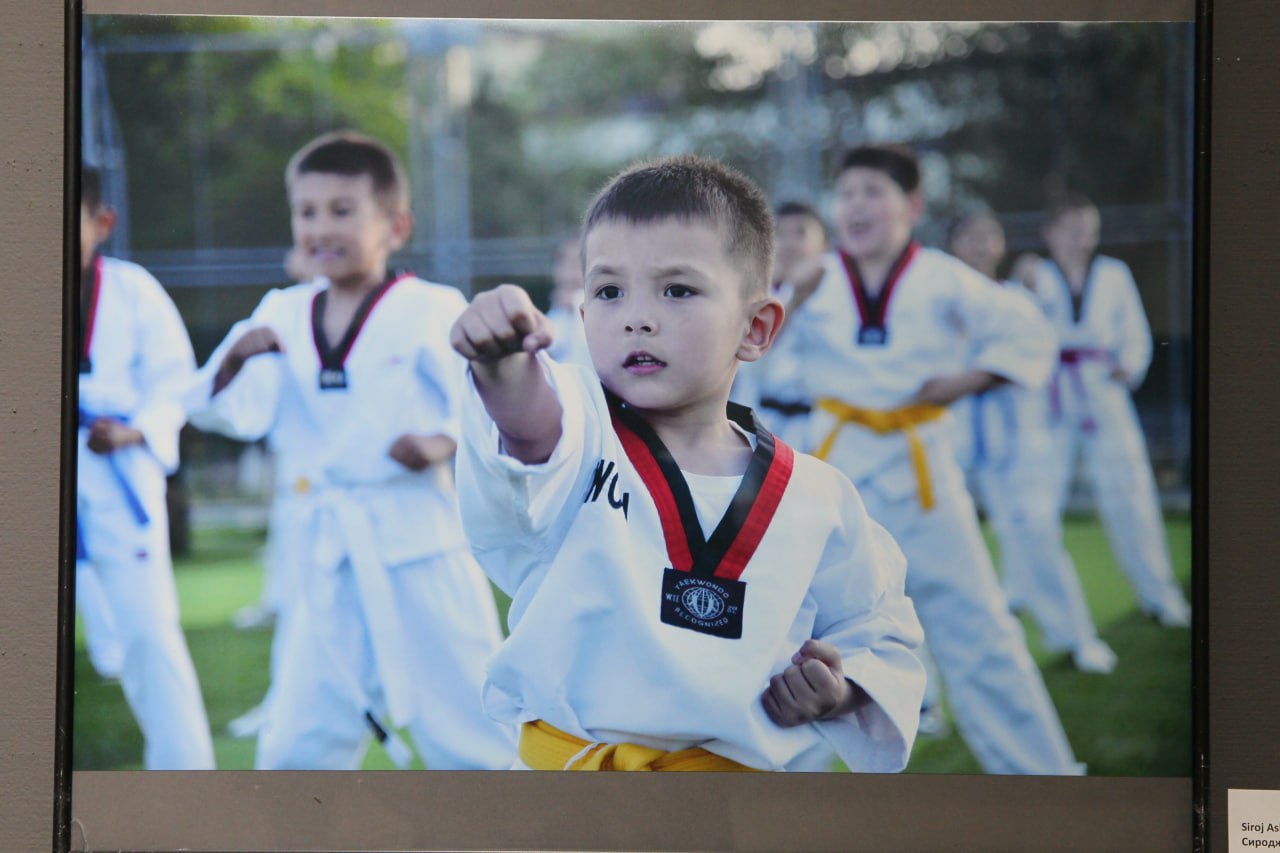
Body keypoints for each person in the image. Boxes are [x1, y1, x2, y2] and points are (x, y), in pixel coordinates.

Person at [450, 154, 925, 773]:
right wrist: (500, 360)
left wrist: (839, 689)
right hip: (566, 796)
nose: (637, 317)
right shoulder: (585, 432)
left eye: (677, 290)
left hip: (736, 807)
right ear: (584, 317)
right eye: (609, 291)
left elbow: (878, 628)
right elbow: (531, 426)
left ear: (755, 327)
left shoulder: (818, 497)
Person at [184, 130, 516, 770]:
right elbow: (230, 413)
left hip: (418, 541)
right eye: (306, 213)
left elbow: (482, 405)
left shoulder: (429, 307)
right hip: (324, 548)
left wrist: (440, 442)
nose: (321, 227)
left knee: (472, 727)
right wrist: (231, 363)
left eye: (342, 210)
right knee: (297, 741)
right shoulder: (280, 312)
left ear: (395, 225)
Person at [784, 145, 1083, 775]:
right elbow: (744, 346)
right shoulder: (814, 279)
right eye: (848, 193)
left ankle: (1045, 781)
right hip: (835, 484)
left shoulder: (942, 275)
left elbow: (1028, 330)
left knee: (983, 633)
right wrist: (792, 296)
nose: (857, 205)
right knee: (798, 643)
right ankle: (776, 799)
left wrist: (969, 379)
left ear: (911, 206)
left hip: (925, 476)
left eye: (874, 191)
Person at [76, 164, 216, 769]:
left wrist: (135, 430)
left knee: (149, 636)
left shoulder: (134, 291)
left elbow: (176, 385)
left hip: (118, 481)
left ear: (102, 222)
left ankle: (185, 777)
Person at [947, 209, 1117, 674]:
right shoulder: (933, 300)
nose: (982, 244)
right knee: (941, 552)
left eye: (991, 235)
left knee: (1037, 535)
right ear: (953, 246)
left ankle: (1076, 637)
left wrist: (978, 376)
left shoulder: (1017, 299)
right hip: (947, 439)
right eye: (971, 236)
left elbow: (1036, 359)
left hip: (1013, 440)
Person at [1037, 194, 1191, 628]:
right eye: (1074, 228)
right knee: (1034, 501)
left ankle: (1159, 594)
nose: (1084, 239)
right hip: (1051, 400)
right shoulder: (1036, 277)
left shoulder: (1112, 275)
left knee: (1132, 496)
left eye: (1090, 229)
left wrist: (1133, 362)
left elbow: (1136, 332)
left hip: (1104, 392)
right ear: (1052, 232)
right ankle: (1022, 589)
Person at [732, 201, 825, 450]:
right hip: (761, 424)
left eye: (801, 233)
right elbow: (751, 363)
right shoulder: (750, 296)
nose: (789, 244)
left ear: (824, 244)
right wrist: (795, 300)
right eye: (779, 234)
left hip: (820, 427)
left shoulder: (839, 295)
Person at [543, 234, 593, 369]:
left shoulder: (603, 310)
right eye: (560, 263)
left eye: (575, 264)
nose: (566, 273)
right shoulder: (557, 312)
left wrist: (577, 301)